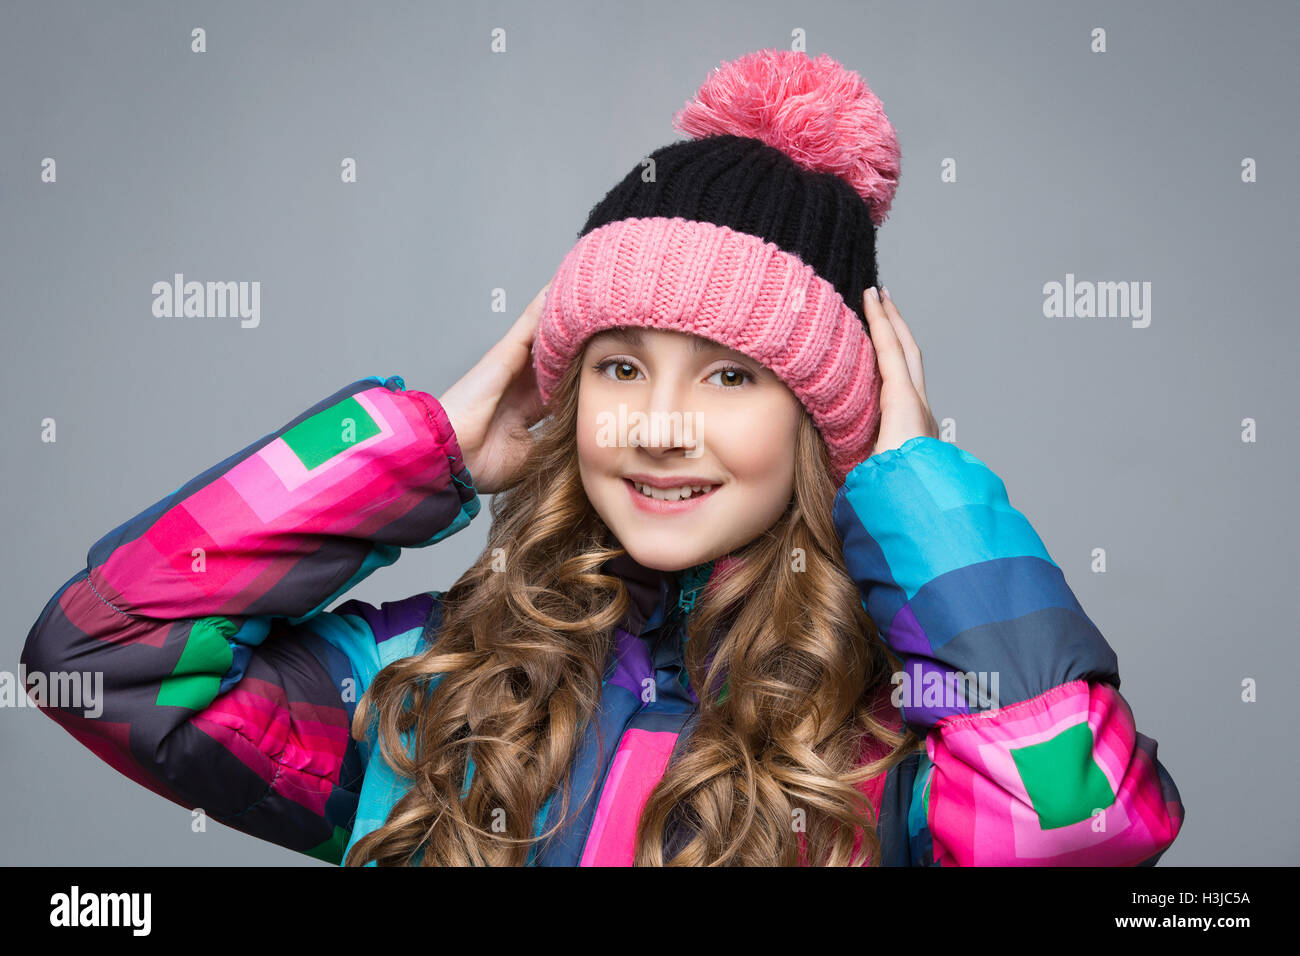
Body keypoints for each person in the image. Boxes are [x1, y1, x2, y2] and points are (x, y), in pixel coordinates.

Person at [20, 48, 1184, 866]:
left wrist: (916, 487)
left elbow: (1080, 827)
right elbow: (103, 658)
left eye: (732, 376)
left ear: (827, 421)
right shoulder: (440, 675)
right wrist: (416, 448)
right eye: (620, 367)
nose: (657, 425)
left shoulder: (906, 717)